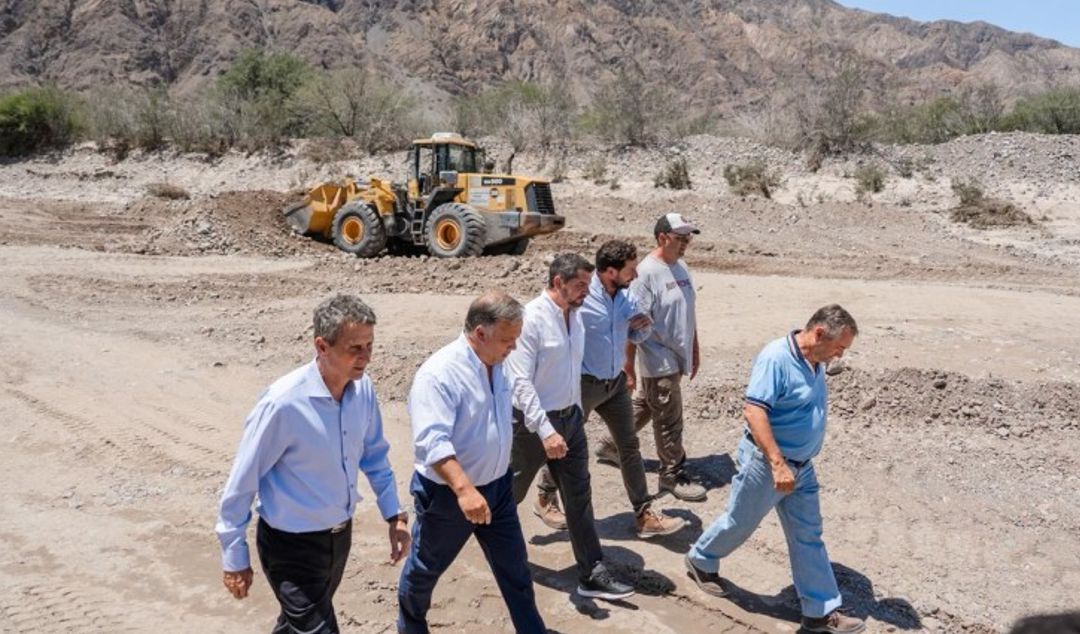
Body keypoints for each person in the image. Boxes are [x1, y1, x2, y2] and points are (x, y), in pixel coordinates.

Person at [215, 293, 409, 634]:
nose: (366, 358)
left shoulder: (362, 391)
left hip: (338, 539)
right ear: (322, 346)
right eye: (355, 349)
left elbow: (375, 455)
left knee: (296, 626)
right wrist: (234, 555)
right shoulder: (284, 404)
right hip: (291, 547)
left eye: (369, 346)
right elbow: (243, 480)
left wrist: (395, 516)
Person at [684, 305, 864, 634]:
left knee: (808, 534)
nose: (840, 356)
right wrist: (778, 464)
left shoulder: (815, 360)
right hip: (768, 465)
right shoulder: (776, 358)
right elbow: (754, 412)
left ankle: (820, 610)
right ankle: (700, 559)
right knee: (739, 522)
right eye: (839, 348)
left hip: (802, 468)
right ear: (820, 333)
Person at [397, 291, 546, 634]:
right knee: (424, 570)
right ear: (481, 333)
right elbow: (431, 442)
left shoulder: (499, 363)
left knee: (516, 570)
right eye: (508, 340)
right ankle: (410, 627)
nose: (514, 347)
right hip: (449, 496)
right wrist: (464, 490)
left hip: (498, 487)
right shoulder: (439, 374)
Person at [532, 240, 686, 538]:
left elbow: (633, 333)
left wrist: (643, 326)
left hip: (614, 383)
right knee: (565, 444)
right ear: (611, 271)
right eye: (630, 269)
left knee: (629, 446)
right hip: (583, 385)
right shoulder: (582, 299)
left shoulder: (626, 296)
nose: (636, 275)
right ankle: (544, 495)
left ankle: (644, 514)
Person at [506, 253, 635, 600]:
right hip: (531, 425)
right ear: (558, 282)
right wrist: (545, 431)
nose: (584, 294)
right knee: (507, 496)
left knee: (579, 498)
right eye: (579, 286)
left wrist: (575, 413)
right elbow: (519, 382)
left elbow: (570, 370)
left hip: (570, 420)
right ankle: (476, 539)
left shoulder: (575, 317)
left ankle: (591, 572)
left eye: (587, 287)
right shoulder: (530, 319)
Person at [597, 212, 706, 502]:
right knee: (669, 417)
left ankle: (611, 445)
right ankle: (671, 474)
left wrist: (694, 349)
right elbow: (634, 323)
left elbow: (688, 310)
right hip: (657, 355)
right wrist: (628, 367)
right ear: (662, 238)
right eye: (680, 238)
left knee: (648, 404)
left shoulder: (681, 267)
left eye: (688, 239)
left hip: (677, 353)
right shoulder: (646, 273)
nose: (686, 244)